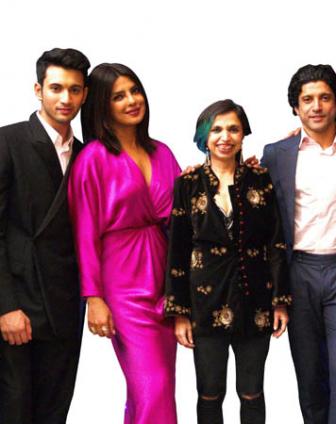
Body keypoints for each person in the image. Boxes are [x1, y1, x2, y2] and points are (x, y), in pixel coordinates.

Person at [261, 64, 336, 424]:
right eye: (307, 99)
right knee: (310, 374)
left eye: (325, 98)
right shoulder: (277, 154)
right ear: (295, 107)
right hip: (298, 273)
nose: (316, 106)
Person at [68, 63, 181, 424]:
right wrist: (94, 297)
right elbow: (84, 234)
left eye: (135, 91)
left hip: (164, 282)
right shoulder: (92, 159)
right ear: (102, 105)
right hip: (123, 285)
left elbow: (189, 216)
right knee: (154, 385)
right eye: (119, 96)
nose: (132, 100)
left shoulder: (162, 152)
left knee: (152, 388)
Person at [164, 99, 290, 424]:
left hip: (255, 300)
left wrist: (280, 301)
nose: (225, 136)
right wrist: (179, 313)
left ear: (243, 134)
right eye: (217, 129)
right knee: (209, 392)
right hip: (205, 303)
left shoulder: (260, 179)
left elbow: (276, 243)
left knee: (252, 391)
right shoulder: (188, 183)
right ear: (204, 137)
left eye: (233, 129)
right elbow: (177, 249)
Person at [0, 47, 89, 424]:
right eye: (56, 88)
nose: (65, 98)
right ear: (38, 90)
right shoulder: (8, 142)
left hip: (65, 304)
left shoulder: (86, 155)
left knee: (54, 411)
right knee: (14, 409)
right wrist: (5, 306)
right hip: (19, 302)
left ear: (84, 94)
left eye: (74, 89)